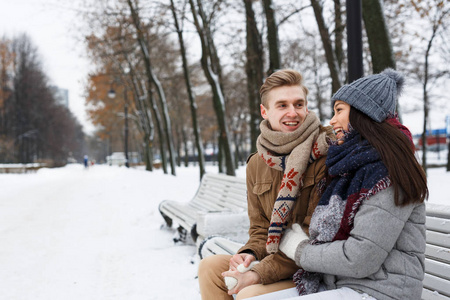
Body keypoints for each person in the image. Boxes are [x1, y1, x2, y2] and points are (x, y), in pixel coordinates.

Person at [245, 69, 428, 300]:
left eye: (339, 110)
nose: (331, 120)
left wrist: (299, 249)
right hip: (341, 283)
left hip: (379, 291)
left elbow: (361, 258)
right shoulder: (350, 165)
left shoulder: (390, 172)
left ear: (363, 113)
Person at [198, 69, 335, 300]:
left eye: (298, 104)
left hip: (310, 268)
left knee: (248, 294)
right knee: (210, 268)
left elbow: (313, 236)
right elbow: (260, 229)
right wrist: (249, 254)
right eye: (282, 105)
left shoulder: (326, 153)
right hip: (274, 258)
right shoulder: (257, 163)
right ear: (265, 111)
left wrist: (259, 273)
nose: (293, 113)